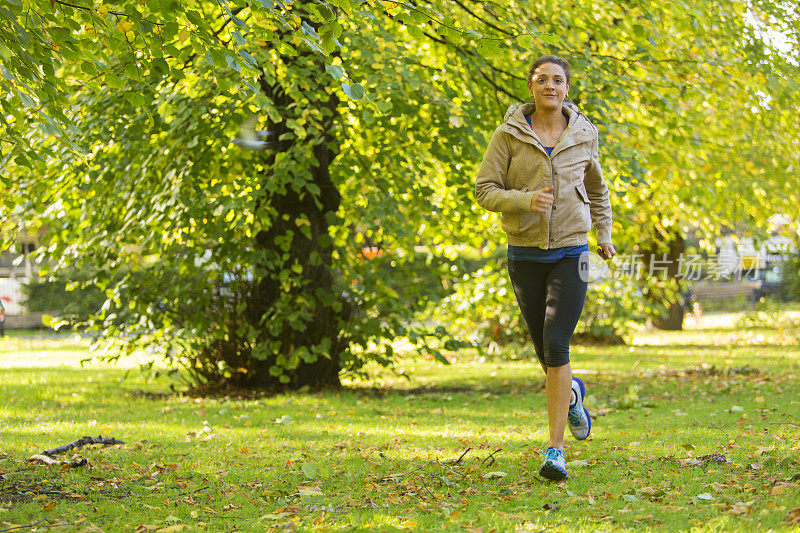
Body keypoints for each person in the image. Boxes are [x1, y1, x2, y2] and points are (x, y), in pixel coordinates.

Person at [475, 55, 616, 481]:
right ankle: (572, 396)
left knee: (557, 345)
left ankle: (554, 450)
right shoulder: (509, 135)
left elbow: (597, 188)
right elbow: (485, 190)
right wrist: (525, 198)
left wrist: (604, 233)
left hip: (573, 252)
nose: (550, 86)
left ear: (566, 88)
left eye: (557, 80)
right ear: (532, 87)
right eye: (542, 80)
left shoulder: (584, 134)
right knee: (545, 352)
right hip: (525, 254)